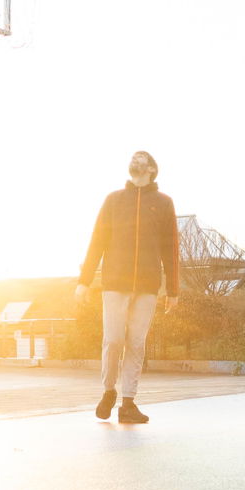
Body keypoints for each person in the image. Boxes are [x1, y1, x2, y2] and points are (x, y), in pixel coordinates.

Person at [75, 150, 180, 423]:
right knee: (113, 340)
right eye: (133, 158)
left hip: (147, 286)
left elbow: (171, 249)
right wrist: (84, 281)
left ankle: (128, 403)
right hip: (114, 283)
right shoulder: (114, 200)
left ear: (152, 169)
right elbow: (97, 240)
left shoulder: (164, 203)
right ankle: (108, 391)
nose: (136, 160)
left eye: (142, 158)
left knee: (136, 343)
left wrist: (173, 290)